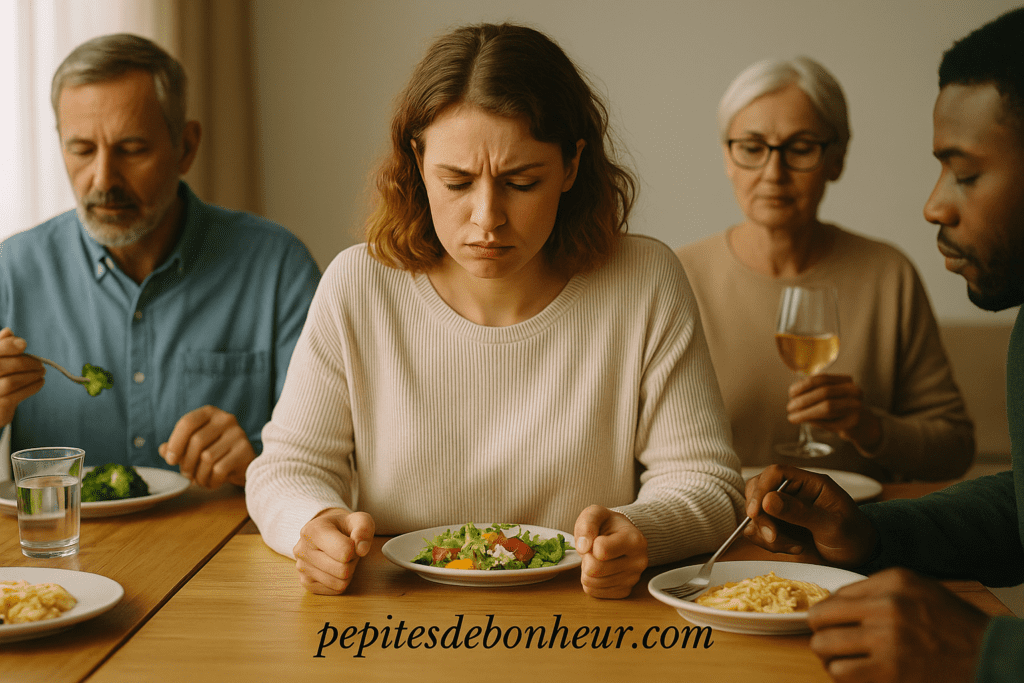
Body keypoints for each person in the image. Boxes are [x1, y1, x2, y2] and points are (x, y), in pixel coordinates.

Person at [245, 22, 744, 599]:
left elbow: (709, 483)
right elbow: (286, 468)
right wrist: (309, 523)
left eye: (522, 182)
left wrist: (642, 531)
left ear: (572, 166)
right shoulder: (359, 285)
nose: (488, 218)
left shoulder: (645, 282)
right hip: (397, 619)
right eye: (456, 182)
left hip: (586, 620)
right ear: (417, 160)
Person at [744, 9, 1024, 682]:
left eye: (965, 173)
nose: (933, 206)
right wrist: (873, 533)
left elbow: (951, 439)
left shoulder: (887, 273)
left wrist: (988, 652)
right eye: (749, 145)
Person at [0, 34, 320, 489]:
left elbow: (334, 457)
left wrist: (258, 457)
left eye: (132, 149)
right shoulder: (10, 271)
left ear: (186, 147)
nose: (103, 178)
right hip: (61, 552)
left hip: (226, 550)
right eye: (82, 149)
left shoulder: (277, 268)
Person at [676, 56, 974, 482]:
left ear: (837, 159)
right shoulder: (678, 276)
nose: (773, 173)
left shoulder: (888, 275)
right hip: (724, 531)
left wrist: (868, 426)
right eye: (752, 148)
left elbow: (954, 450)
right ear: (727, 157)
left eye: (800, 148)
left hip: (861, 533)